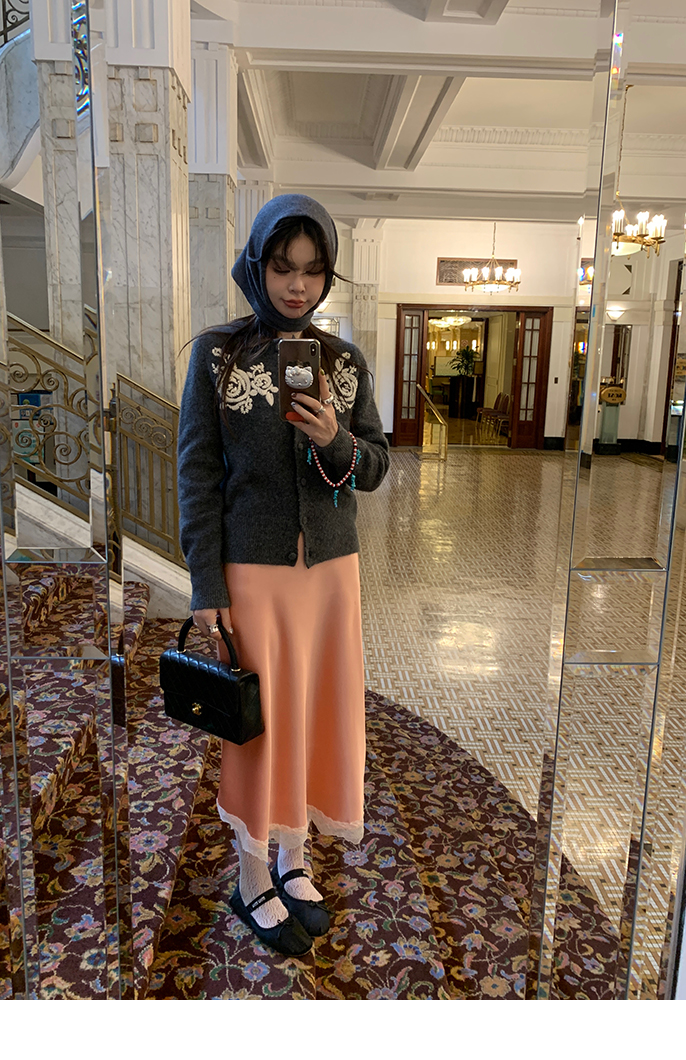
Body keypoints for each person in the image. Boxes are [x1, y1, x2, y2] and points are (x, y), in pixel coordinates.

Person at [177, 194, 389, 956]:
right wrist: (206, 587)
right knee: (261, 727)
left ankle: (294, 860)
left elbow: (376, 467)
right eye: (282, 267)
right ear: (257, 266)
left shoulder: (344, 364)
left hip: (329, 573)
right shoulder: (218, 355)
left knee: (318, 713)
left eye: (312, 270)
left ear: (327, 276)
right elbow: (197, 473)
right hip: (254, 574)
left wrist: (337, 441)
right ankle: (250, 875)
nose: (297, 285)